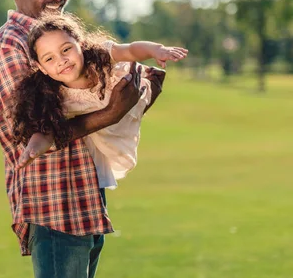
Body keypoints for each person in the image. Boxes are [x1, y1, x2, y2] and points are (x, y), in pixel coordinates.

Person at [0, 0, 164, 278]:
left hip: (86, 195)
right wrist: (111, 111)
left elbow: (95, 89)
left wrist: (132, 95)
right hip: (52, 201)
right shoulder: (9, 47)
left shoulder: (61, 37)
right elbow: (31, 132)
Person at [10, 12, 188, 191]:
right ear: (42, 68)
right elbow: (46, 134)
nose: (62, 60)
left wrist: (156, 50)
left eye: (66, 49)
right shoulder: (55, 97)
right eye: (49, 58)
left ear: (80, 45)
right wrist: (32, 149)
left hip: (128, 96)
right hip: (106, 133)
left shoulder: (100, 56)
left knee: (148, 81)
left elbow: (130, 50)